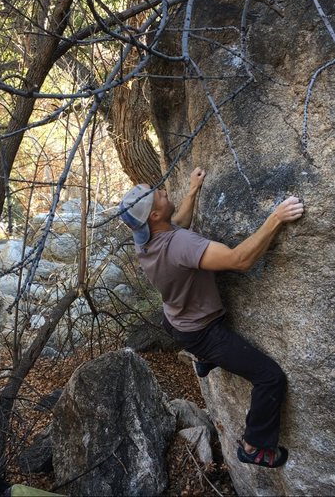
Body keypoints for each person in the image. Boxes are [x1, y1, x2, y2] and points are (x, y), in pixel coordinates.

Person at [119, 168, 304, 469]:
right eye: (160, 195)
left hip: (176, 321)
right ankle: (255, 446)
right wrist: (276, 218)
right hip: (203, 332)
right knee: (270, 378)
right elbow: (239, 260)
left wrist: (192, 191)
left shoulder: (145, 242)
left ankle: (201, 357)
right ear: (153, 216)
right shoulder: (181, 246)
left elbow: (175, 224)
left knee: (189, 334)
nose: (164, 191)